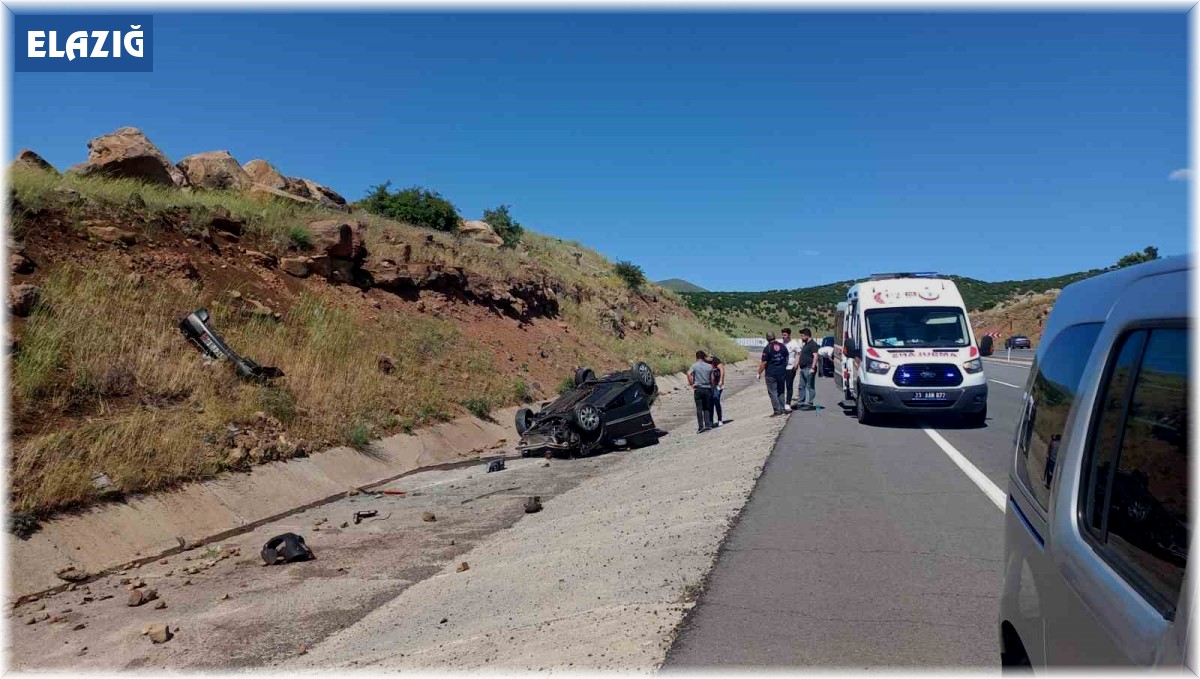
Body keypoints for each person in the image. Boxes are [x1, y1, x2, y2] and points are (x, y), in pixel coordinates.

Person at [757, 332, 789, 416]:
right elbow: (786, 357)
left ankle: (777, 410)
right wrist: (783, 366)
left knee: (773, 392)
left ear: (767, 338)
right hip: (782, 372)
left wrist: (759, 372)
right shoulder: (782, 346)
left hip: (771, 373)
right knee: (781, 391)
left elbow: (764, 362)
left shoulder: (768, 348)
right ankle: (782, 409)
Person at [688, 350, 715, 433]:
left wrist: (692, 384)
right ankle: (707, 425)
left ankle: (700, 427)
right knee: (707, 407)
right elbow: (712, 379)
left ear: (696, 357)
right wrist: (712, 387)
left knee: (699, 408)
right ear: (704, 357)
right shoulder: (709, 366)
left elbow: (689, 374)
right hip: (707, 388)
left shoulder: (694, 366)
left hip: (698, 388)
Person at [796, 328, 821, 410]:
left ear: (807, 335)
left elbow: (815, 356)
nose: (801, 338)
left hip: (809, 368)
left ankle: (810, 403)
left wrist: (813, 367)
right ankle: (801, 403)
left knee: (810, 386)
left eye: (802, 336)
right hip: (803, 368)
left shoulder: (812, 344)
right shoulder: (806, 344)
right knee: (801, 386)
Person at [782, 328, 800, 412]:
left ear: (789, 335)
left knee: (789, 385)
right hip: (782, 368)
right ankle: (781, 402)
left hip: (790, 367)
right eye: (782, 334)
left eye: (785, 335)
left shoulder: (794, 343)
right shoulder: (781, 344)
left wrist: (796, 363)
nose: (783, 336)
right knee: (781, 386)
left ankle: (788, 403)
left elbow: (799, 353)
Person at [709, 355, 725, 426]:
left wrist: (721, 381)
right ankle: (710, 422)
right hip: (708, 385)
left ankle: (719, 419)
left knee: (716, 400)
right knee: (710, 403)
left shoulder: (715, 359)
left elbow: (722, 369)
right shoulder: (702, 362)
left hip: (717, 384)